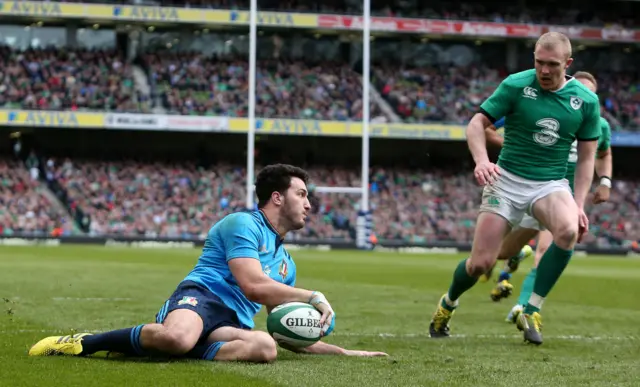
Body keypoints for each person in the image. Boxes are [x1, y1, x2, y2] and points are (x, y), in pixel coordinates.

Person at [29, 164, 388, 361]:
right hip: (201, 297)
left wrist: (343, 351)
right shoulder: (243, 224)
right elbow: (252, 285)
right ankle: (84, 343)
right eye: (302, 194)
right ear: (277, 198)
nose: (309, 204)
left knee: (265, 346)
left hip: (231, 322)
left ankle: (181, 348)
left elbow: (286, 332)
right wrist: (314, 296)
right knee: (178, 338)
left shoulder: (286, 264)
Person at [428, 32, 602, 345]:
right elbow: (476, 124)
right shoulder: (516, 84)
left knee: (567, 231)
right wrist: (482, 161)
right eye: (539, 63)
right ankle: (448, 303)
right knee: (480, 264)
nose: (544, 71)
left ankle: (531, 308)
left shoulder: (586, 101)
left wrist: (579, 205)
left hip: (549, 183)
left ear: (568, 64)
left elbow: (588, 158)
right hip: (506, 180)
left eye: (552, 65)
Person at [483, 71, 613, 321]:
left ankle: (525, 308)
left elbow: (603, 153)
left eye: (589, 95)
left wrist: (605, 181)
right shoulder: (544, 111)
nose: (581, 99)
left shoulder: (600, 125)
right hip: (531, 184)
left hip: (561, 197)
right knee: (499, 252)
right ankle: (516, 255)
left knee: (545, 250)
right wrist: (514, 145)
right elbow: (488, 127)